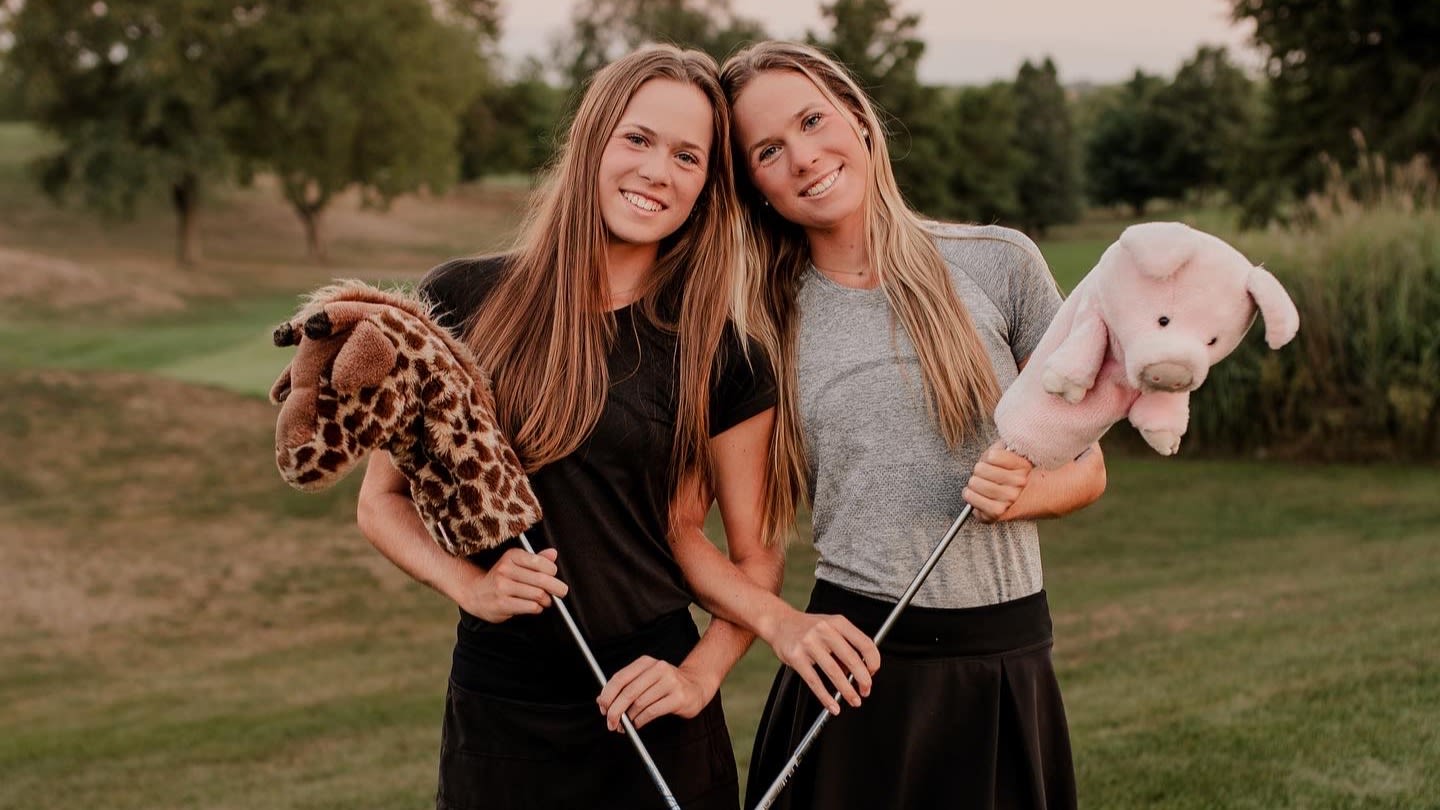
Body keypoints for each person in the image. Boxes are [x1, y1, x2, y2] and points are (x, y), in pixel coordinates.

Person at [356, 45, 780, 810]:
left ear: (706, 188)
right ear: (592, 142)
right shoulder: (460, 299)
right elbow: (381, 500)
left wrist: (700, 674)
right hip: (501, 709)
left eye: (687, 156)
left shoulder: (723, 353)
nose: (657, 171)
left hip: (651, 703)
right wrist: (469, 585)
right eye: (638, 138)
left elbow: (756, 556)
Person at [694, 41, 1110, 809]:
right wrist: (777, 626)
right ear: (754, 186)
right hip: (854, 667)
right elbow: (690, 529)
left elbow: (1088, 466)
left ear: (857, 117)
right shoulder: (758, 325)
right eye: (768, 151)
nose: (803, 158)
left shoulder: (1001, 265)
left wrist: (1026, 497)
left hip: (1007, 658)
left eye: (812, 121)